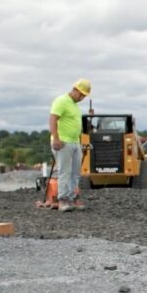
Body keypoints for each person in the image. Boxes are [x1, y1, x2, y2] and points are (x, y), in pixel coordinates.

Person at [49, 78, 90, 212]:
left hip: (75, 142)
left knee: (75, 172)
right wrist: (56, 138)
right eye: (81, 94)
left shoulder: (75, 106)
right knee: (65, 171)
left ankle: (72, 197)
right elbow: (53, 119)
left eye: (84, 96)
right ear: (75, 90)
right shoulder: (61, 101)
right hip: (63, 142)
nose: (82, 98)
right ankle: (63, 199)